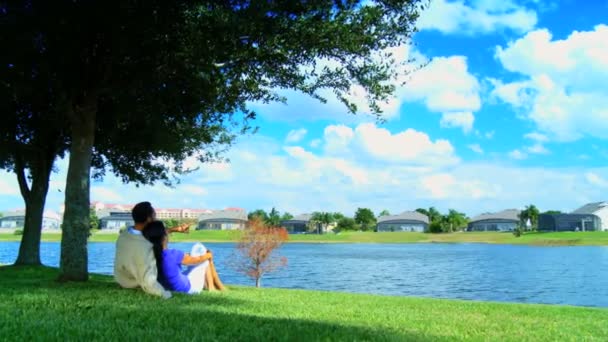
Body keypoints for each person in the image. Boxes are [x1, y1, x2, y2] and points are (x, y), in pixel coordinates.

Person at [113, 202, 189, 298]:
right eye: (154, 216)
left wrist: (175, 229)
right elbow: (149, 282)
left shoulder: (124, 235)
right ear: (149, 219)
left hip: (122, 279)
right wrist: (164, 294)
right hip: (133, 283)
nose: (156, 219)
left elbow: (153, 232)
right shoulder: (145, 245)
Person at [143, 220, 226, 294]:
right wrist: (209, 255)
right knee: (200, 249)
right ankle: (211, 287)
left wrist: (177, 229)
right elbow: (197, 260)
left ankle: (212, 285)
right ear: (165, 237)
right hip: (189, 289)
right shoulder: (173, 254)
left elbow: (159, 234)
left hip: (169, 287)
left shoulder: (151, 254)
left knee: (196, 256)